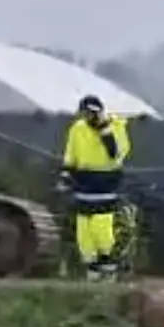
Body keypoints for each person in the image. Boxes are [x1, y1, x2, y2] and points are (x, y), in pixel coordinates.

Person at [59, 95, 132, 279]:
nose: (88, 118)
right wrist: (66, 174)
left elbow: (116, 154)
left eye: (91, 114)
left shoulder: (116, 127)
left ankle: (107, 261)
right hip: (83, 184)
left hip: (105, 184)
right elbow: (71, 153)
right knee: (84, 228)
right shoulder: (77, 128)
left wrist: (104, 130)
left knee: (101, 225)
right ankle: (90, 265)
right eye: (84, 114)